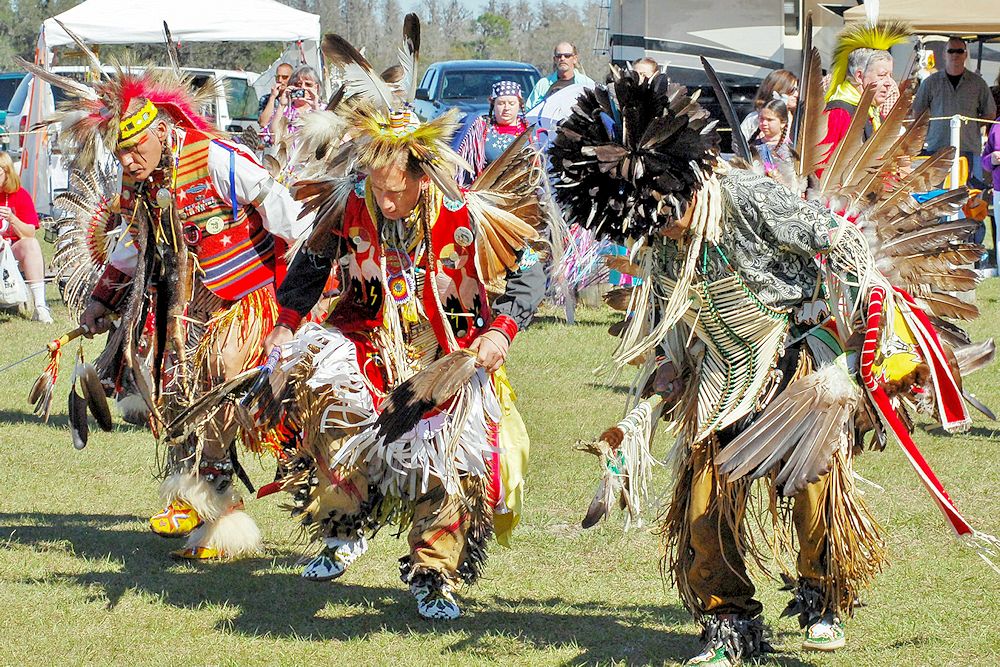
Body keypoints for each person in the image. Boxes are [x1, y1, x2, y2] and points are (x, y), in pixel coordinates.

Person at [552, 59, 994, 667]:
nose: (667, 228)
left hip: (792, 355)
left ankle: (821, 595)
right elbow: (668, 309)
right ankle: (728, 622)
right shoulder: (656, 234)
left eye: (671, 213)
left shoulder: (744, 197)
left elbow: (838, 241)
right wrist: (668, 366)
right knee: (705, 496)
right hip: (719, 370)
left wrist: (862, 333)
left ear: (681, 179)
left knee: (812, 482)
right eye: (654, 223)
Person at [256, 88, 546, 619]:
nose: (384, 202)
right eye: (377, 188)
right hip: (364, 340)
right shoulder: (350, 202)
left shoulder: (464, 213)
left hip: (449, 355)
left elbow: (531, 269)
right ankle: (344, 528)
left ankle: (433, 575)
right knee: (325, 400)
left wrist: (501, 331)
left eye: (395, 192)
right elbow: (312, 262)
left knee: (451, 463)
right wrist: (287, 323)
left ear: (420, 176)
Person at [29, 54, 311, 561]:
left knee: (219, 379)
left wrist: (302, 293)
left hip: (248, 296)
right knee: (176, 389)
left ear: (160, 132)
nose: (130, 162)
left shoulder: (217, 159)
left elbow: (286, 214)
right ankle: (215, 518)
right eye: (121, 156)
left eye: (136, 150)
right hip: (186, 302)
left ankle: (200, 495)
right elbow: (134, 245)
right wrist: (100, 301)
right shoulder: (141, 184)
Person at [821, 22, 909, 160]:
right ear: (859, 76)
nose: (889, 83)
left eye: (890, 76)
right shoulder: (838, 114)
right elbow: (822, 169)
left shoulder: (876, 115)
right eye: (881, 75)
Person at [913, 37, 996, 183]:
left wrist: (973, 128)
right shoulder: (930, 82)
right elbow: (918, 112)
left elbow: (990, 113)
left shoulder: (978, 84)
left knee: (969, 195)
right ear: (944, 54)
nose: (955, 55)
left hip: (969, 149)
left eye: (959, 51)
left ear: (965, 55)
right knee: (936, 195)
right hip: (937, 149)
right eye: (951, 51)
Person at [0, 151, 51, 323]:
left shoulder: (19, 195)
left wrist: (12, 219)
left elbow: (30, 233)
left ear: (7, 173)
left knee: (31, 245)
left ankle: (40, 307)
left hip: (10, 251)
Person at [457, 80, 529, 183]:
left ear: (519, 105)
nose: (506, 108)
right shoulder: (479, 129)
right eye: (501, 103)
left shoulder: (531, 131)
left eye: (512, 103)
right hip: (486, 190)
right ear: (493, 105)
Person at [262, 65, 324, 148]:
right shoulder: (284, 111)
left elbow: (326, 137)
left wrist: (315, 107)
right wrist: (282, 105)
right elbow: (273, 137)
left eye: (308, 84)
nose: (303, 87)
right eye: (298, 84)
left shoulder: (324, 109)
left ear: (316, 87)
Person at [524, 42, 595, 110]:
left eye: (567, 56)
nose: (562, 59)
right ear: (555, 60)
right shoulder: (543, 84)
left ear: (575, 59)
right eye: (559, 56)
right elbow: (529, 111)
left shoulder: (587, 84)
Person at [739, 69, 798, 141]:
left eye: (797, 90)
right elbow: (738, 147)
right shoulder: (754, 119)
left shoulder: (799, 118)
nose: (797, 94)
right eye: (792, 90)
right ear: (779, 90)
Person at [750, 98, 792, 180]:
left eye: (770, 120)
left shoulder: (790, 149)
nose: (764, 123)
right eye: (761, 118)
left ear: (783, 123)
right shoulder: (753, 146)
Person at [257, 62, 293, 129]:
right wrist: (272, 97)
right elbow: (263, 123)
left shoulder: (296, 99)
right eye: (277, 77)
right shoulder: (266, 99)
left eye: (284, 77)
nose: (280, 80)